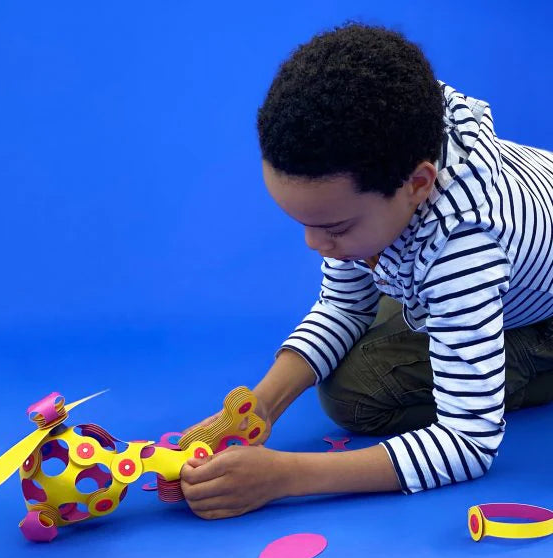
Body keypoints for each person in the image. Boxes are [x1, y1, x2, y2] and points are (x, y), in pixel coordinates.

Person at [179, 22, 553, 519]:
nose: (315, 245)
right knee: (360, 332)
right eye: (304, 224)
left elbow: (469, 442)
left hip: (533, 309)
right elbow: (343, 305)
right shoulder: (393, 143)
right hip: (500, 262)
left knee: (355, 394)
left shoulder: (462, 246)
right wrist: (258, 408)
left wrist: (286, 476)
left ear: (418, 184)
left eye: (333, 227)